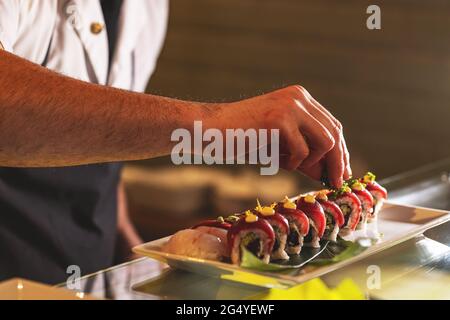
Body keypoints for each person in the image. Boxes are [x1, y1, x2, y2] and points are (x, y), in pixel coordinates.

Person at [0, 0, 351, 284]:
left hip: (88, 267)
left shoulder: (149, 8)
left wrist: (126, 240)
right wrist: (214, 124)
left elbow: (98, 133)